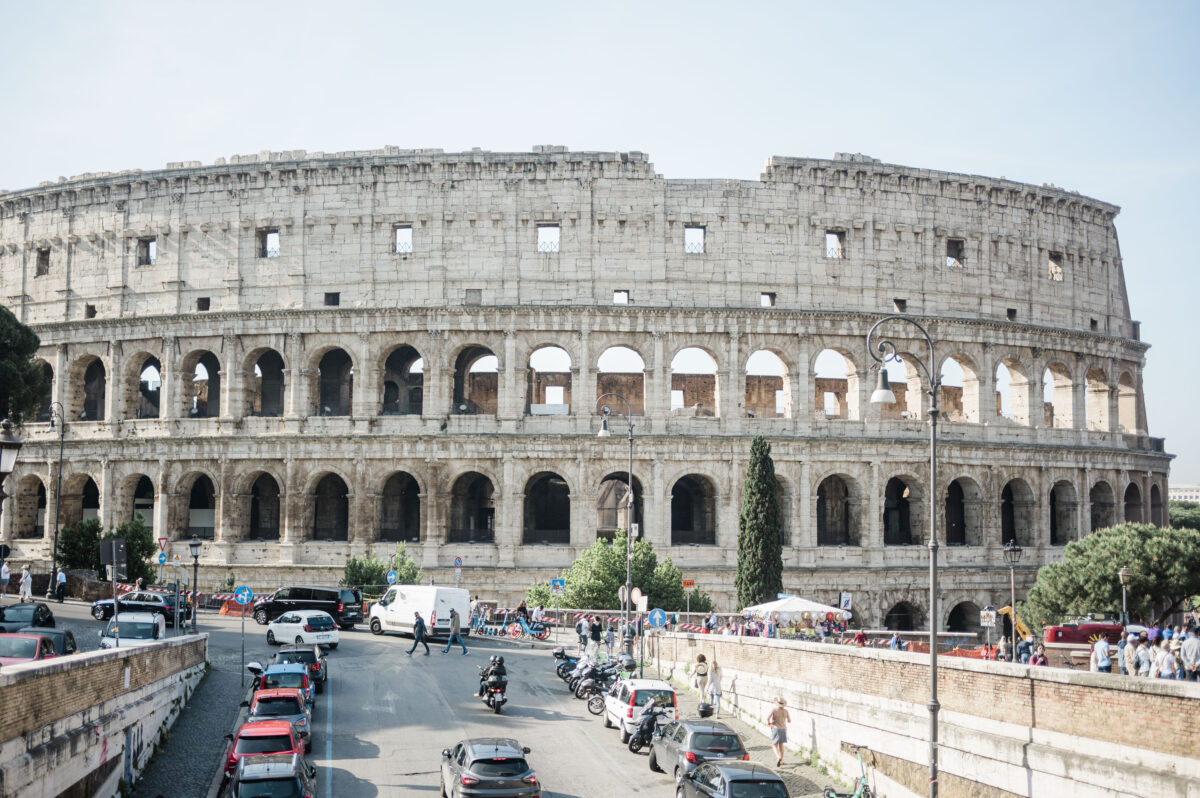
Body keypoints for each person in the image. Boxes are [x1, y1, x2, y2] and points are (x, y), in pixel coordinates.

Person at [767, 697, 790, 767]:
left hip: (776, 729)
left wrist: (770, 724)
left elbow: (767, 718)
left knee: (774, 745)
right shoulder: (786, 711)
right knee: (781, 746)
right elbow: (789, 720)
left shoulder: (774, 710)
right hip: (783, 729)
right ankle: (781, 761)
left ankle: (778, 757)